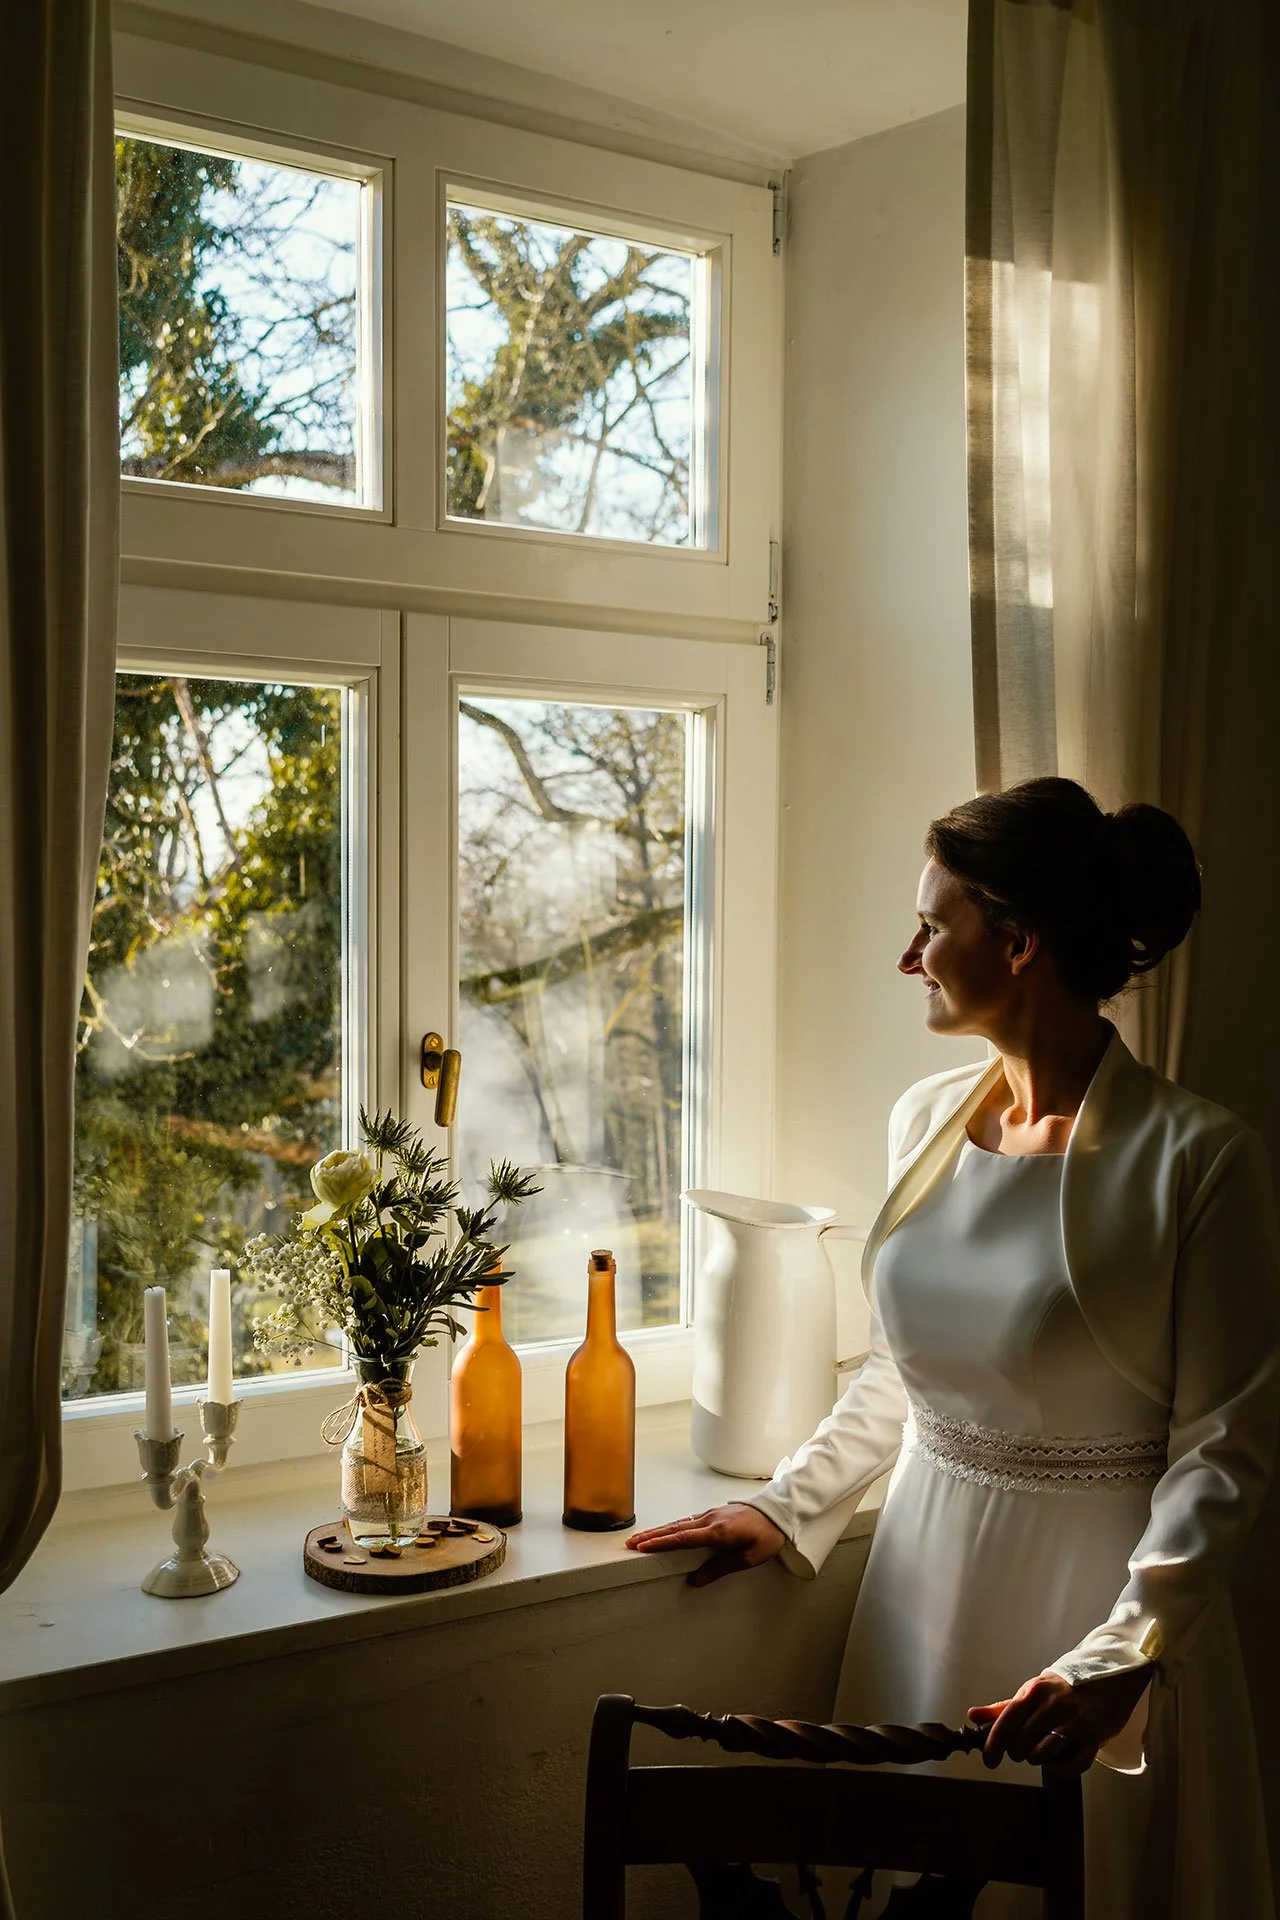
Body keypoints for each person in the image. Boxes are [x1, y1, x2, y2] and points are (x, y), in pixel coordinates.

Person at [627, 777, 1280, 1920]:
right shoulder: (924, 1118)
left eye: (932, 924)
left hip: (1091, 1615)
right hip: (920, 1584)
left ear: (1019, 942)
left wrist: (1119, 1654)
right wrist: (788, 1505)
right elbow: (902, 1364)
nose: (908, 955)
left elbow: (1224, 1451)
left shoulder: (1199, 1159)